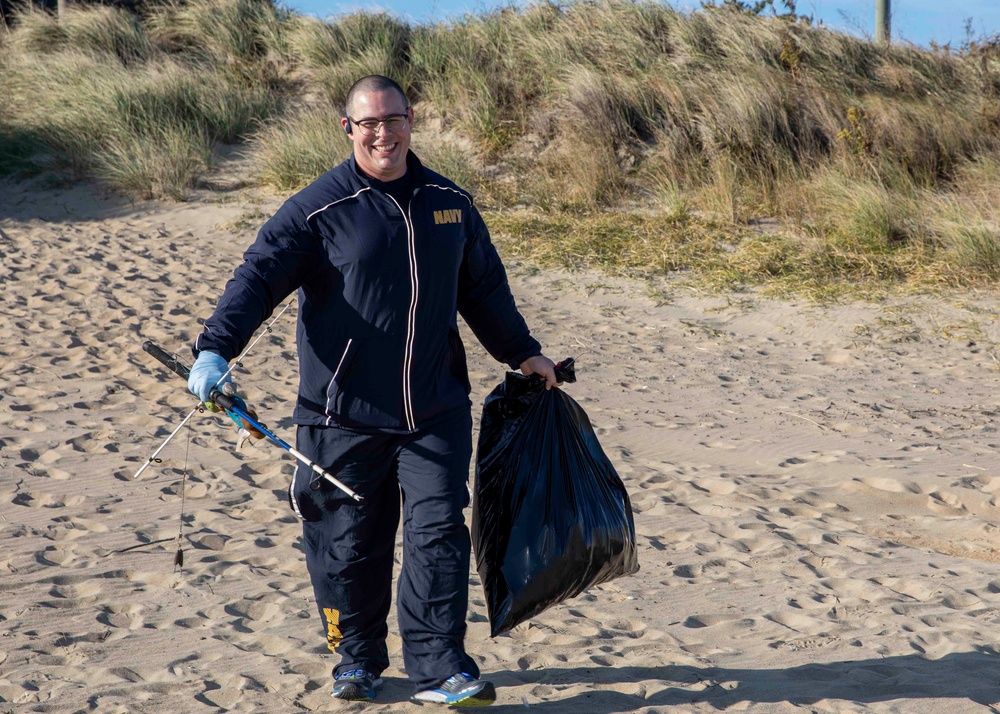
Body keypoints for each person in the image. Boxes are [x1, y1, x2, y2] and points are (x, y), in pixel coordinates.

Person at [187, 75, 558, 707]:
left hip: (434, 410)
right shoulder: (319, 207)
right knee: (348, 544)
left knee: (438, 533)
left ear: (412, 121)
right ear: (348, 129)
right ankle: (356, 660)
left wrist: (522, 353)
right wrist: (216, 349)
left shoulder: (449, 203)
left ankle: (440, 667)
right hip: (341, 414)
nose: (383, 133)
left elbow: (484, 291)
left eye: (395, 119)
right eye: (369, 123)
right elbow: (259, 275)